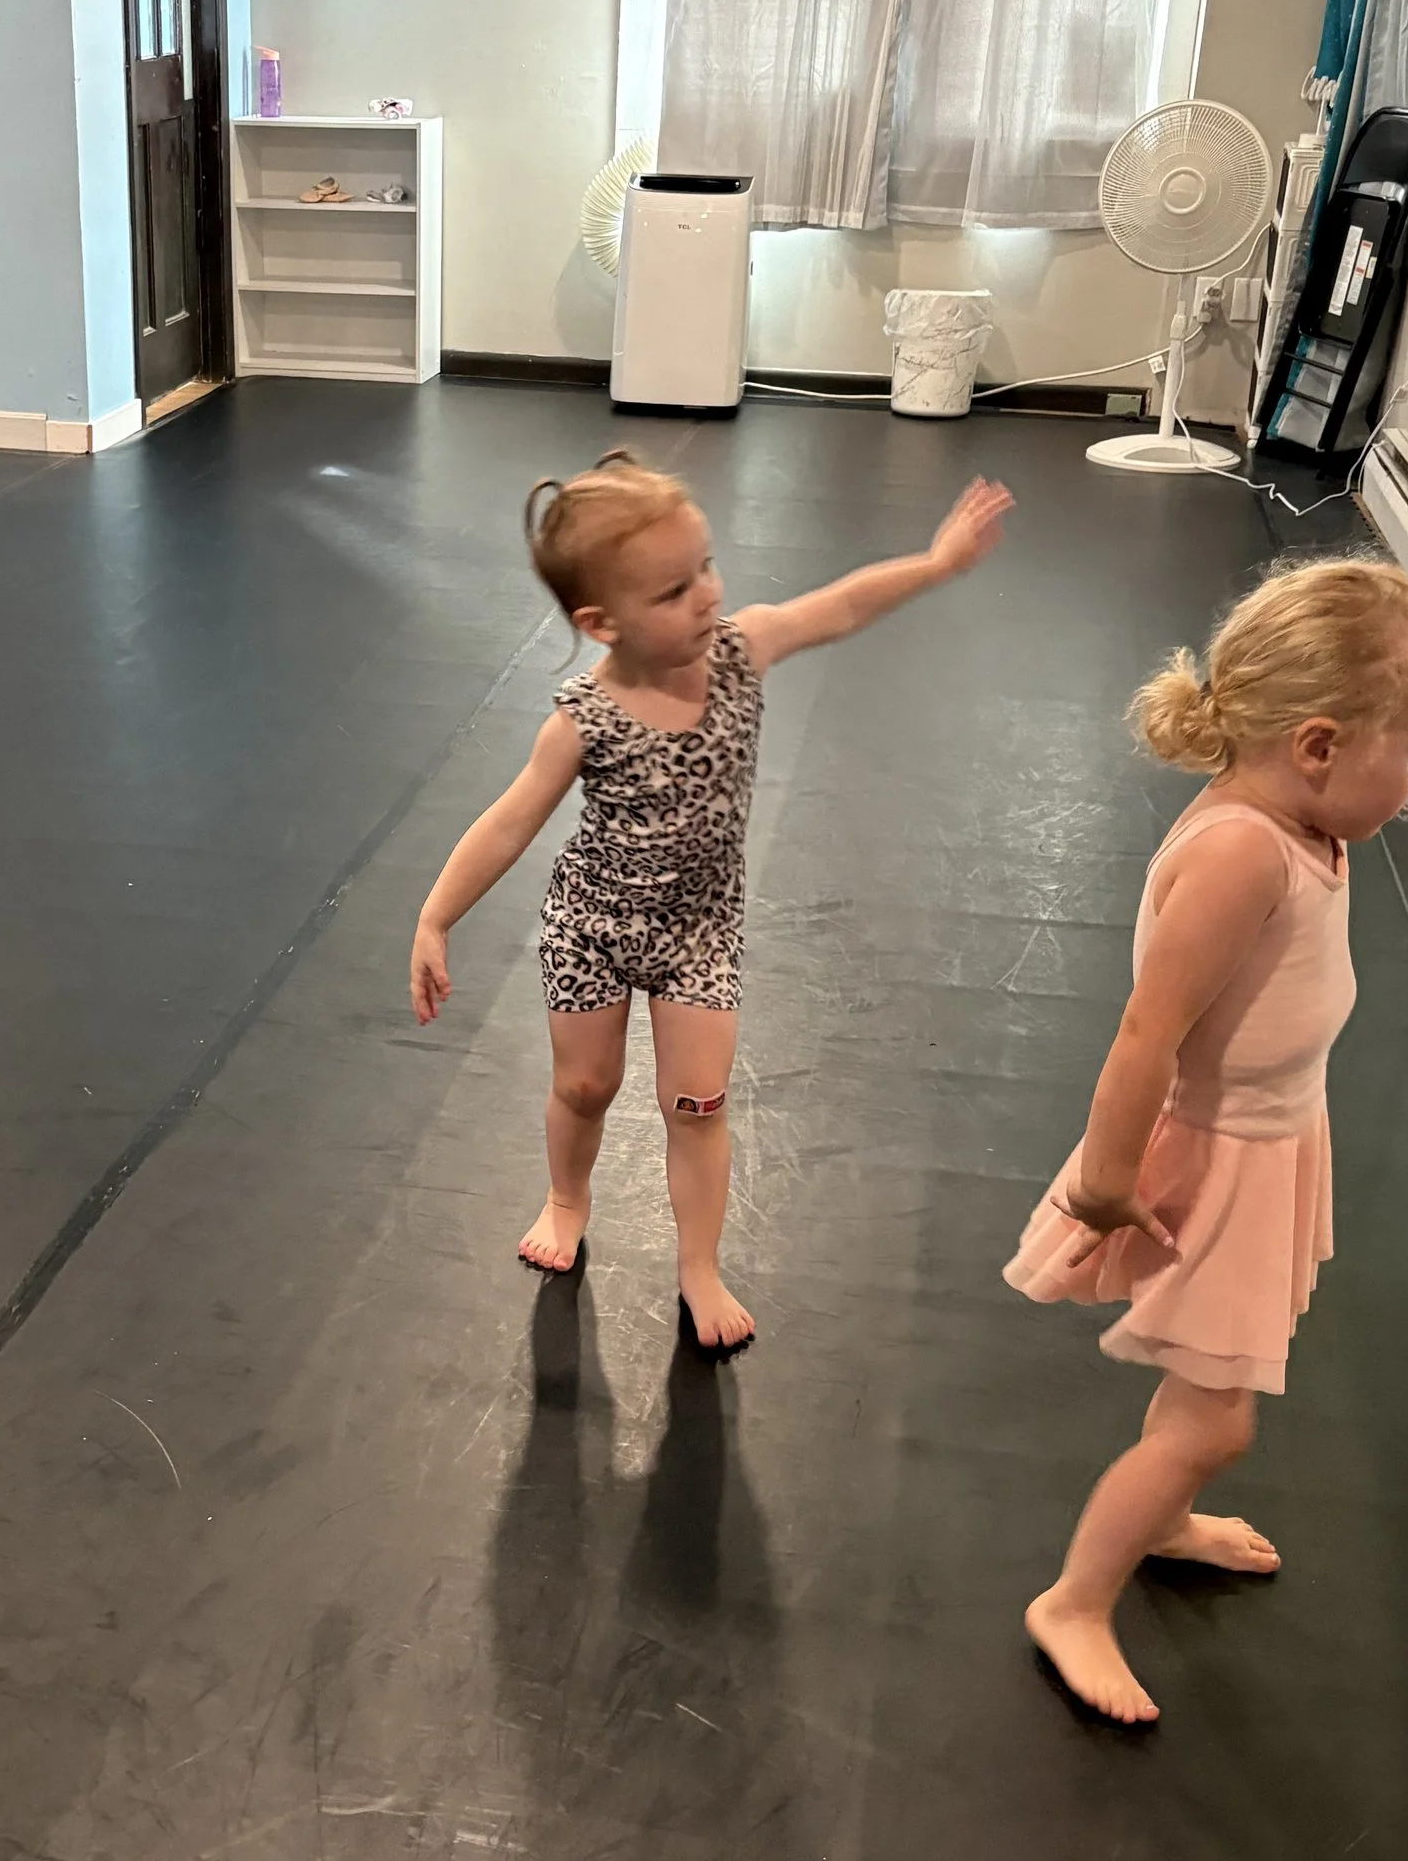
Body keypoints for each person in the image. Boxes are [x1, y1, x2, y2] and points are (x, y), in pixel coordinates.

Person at [1004, 556, 1408, 1725]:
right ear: (1317, 745)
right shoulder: (1237, 854)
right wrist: (1107, 1181)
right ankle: (1072, 1601)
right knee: (1217, 1419)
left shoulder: (1308, 826)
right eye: (1407, 752)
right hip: (1204, 1163)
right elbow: (1144, 1035)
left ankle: (1158, 1525)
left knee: (1202, 1391)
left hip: (1272, 1143)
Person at [411, 450, 1011, 1357]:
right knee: (585, 1085)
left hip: (699, 930)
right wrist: (434, 917)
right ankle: (567, 1196)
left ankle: (698, 1264)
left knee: (698, 1103)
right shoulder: (580, 719)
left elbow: (840, 605)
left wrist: (934, 563)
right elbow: (508, 824)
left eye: (706, 568)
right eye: (671, 590)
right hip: (594, 926)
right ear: (600, 622)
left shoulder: (742, 649)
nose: (704, 596)